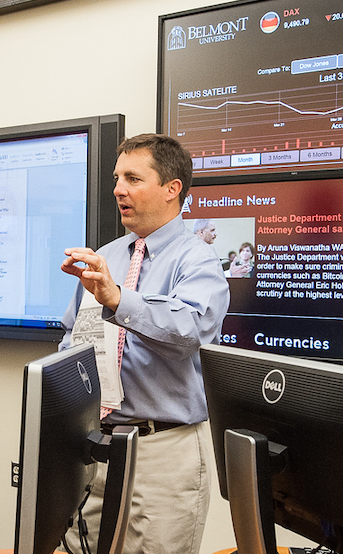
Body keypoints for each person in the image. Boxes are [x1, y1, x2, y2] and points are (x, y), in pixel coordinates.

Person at [59, 133, 230, 554]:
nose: (118, 189)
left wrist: (119, 300)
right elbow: (71, 337)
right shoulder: (107, 255)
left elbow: (192, 331)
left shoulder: (198, 259)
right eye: (117, 178)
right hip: (94, 445)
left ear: (173, 189)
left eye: (133, 178)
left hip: (163, 451)